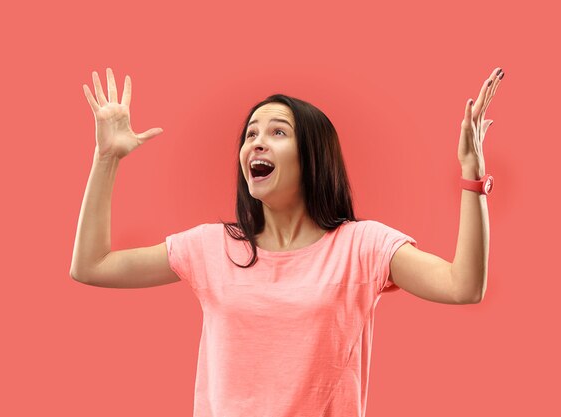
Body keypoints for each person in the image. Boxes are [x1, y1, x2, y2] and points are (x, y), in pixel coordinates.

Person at [70, 66, 503, 416]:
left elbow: (463, 286)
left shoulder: (362, 247)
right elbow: (92, 266)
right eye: (251, 134)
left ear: (313, 156)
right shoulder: (210, 247)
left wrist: (472, 176)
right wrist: (106, 159)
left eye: (277, 132)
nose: (257, 142)